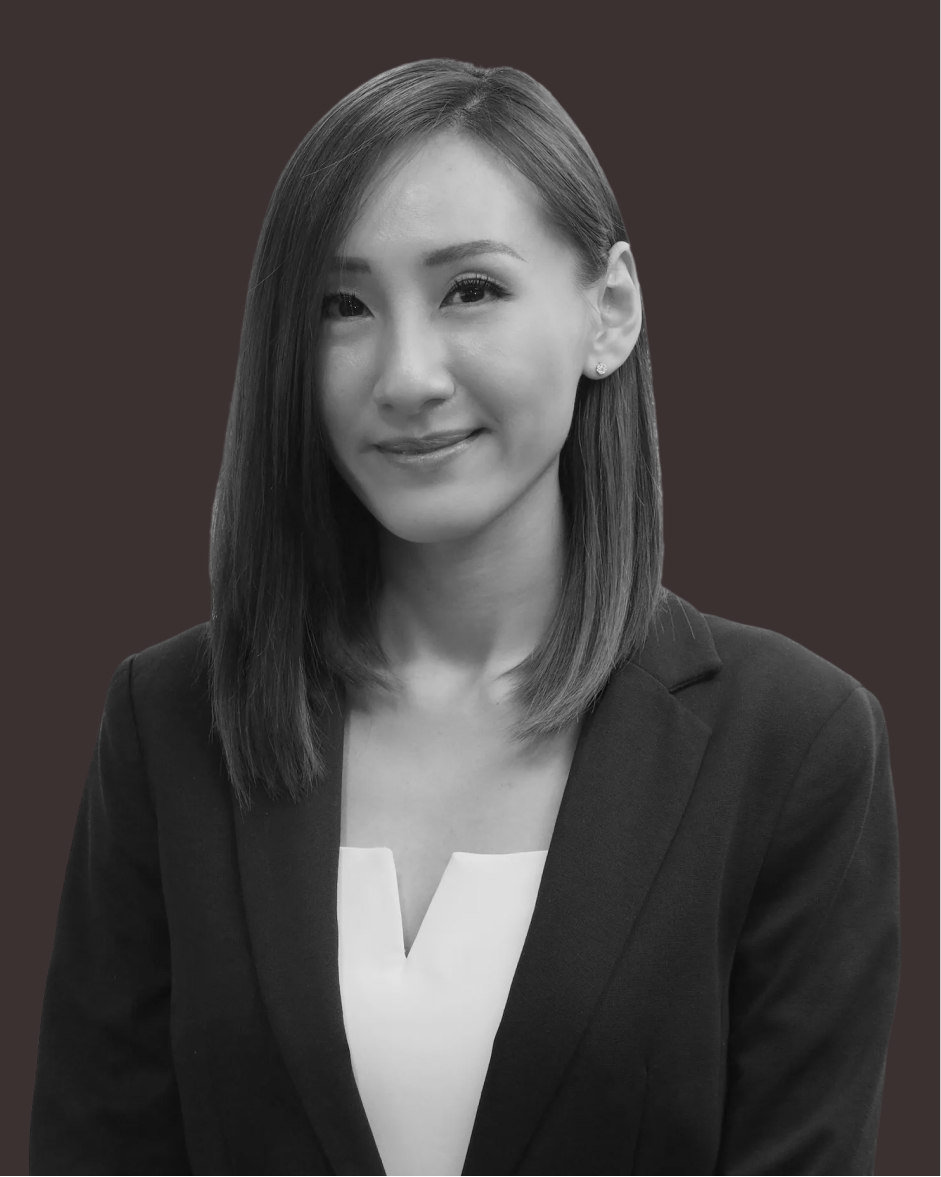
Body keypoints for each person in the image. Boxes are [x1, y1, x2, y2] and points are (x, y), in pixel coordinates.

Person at [29, 59, 900, 1176]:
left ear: (608, 311)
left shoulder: (794, 742)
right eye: (342, 306)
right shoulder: (167, 721)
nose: (405, 375)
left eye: (470, 289)